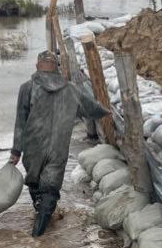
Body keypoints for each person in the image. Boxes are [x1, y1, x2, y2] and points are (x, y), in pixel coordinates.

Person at [10, 49, 110, 237]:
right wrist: (107, 112)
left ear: (37, 66)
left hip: (33, 147)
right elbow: (92, 108)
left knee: (35, 182)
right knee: (51, 187)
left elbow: (20, 122)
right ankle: (40, 230)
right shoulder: (71, 89)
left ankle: (39, 222)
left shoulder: (28, 87)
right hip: (58, 147)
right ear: (56, 67)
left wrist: (16, 151)